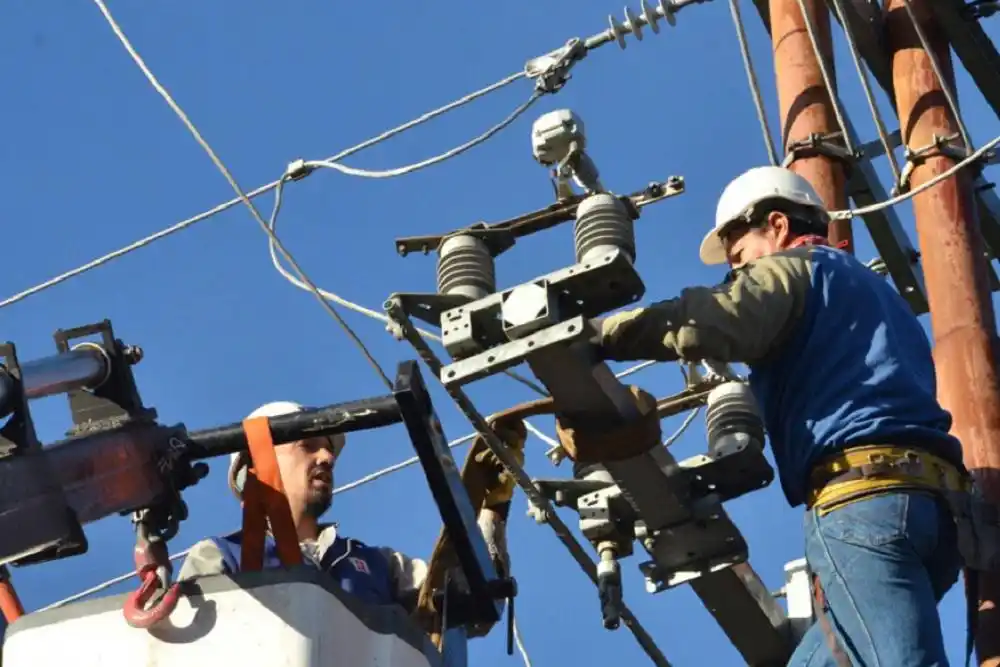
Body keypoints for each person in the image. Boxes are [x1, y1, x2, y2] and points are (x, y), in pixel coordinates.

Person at [593, 165, 967, 666]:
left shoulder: (797, 269)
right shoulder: (875, 295)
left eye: (739, 257)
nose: (735, 273)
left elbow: (717, 318)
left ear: (777, 225)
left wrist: (603, 333)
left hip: (863, 504)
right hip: (936, 516)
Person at [177, 400, 520, 637]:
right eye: (308, 445)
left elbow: (469, 609)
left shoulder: (382, 567)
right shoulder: (220, 556)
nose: (327, 456)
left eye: (328, 448)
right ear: (258, 467)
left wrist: (491, 511)